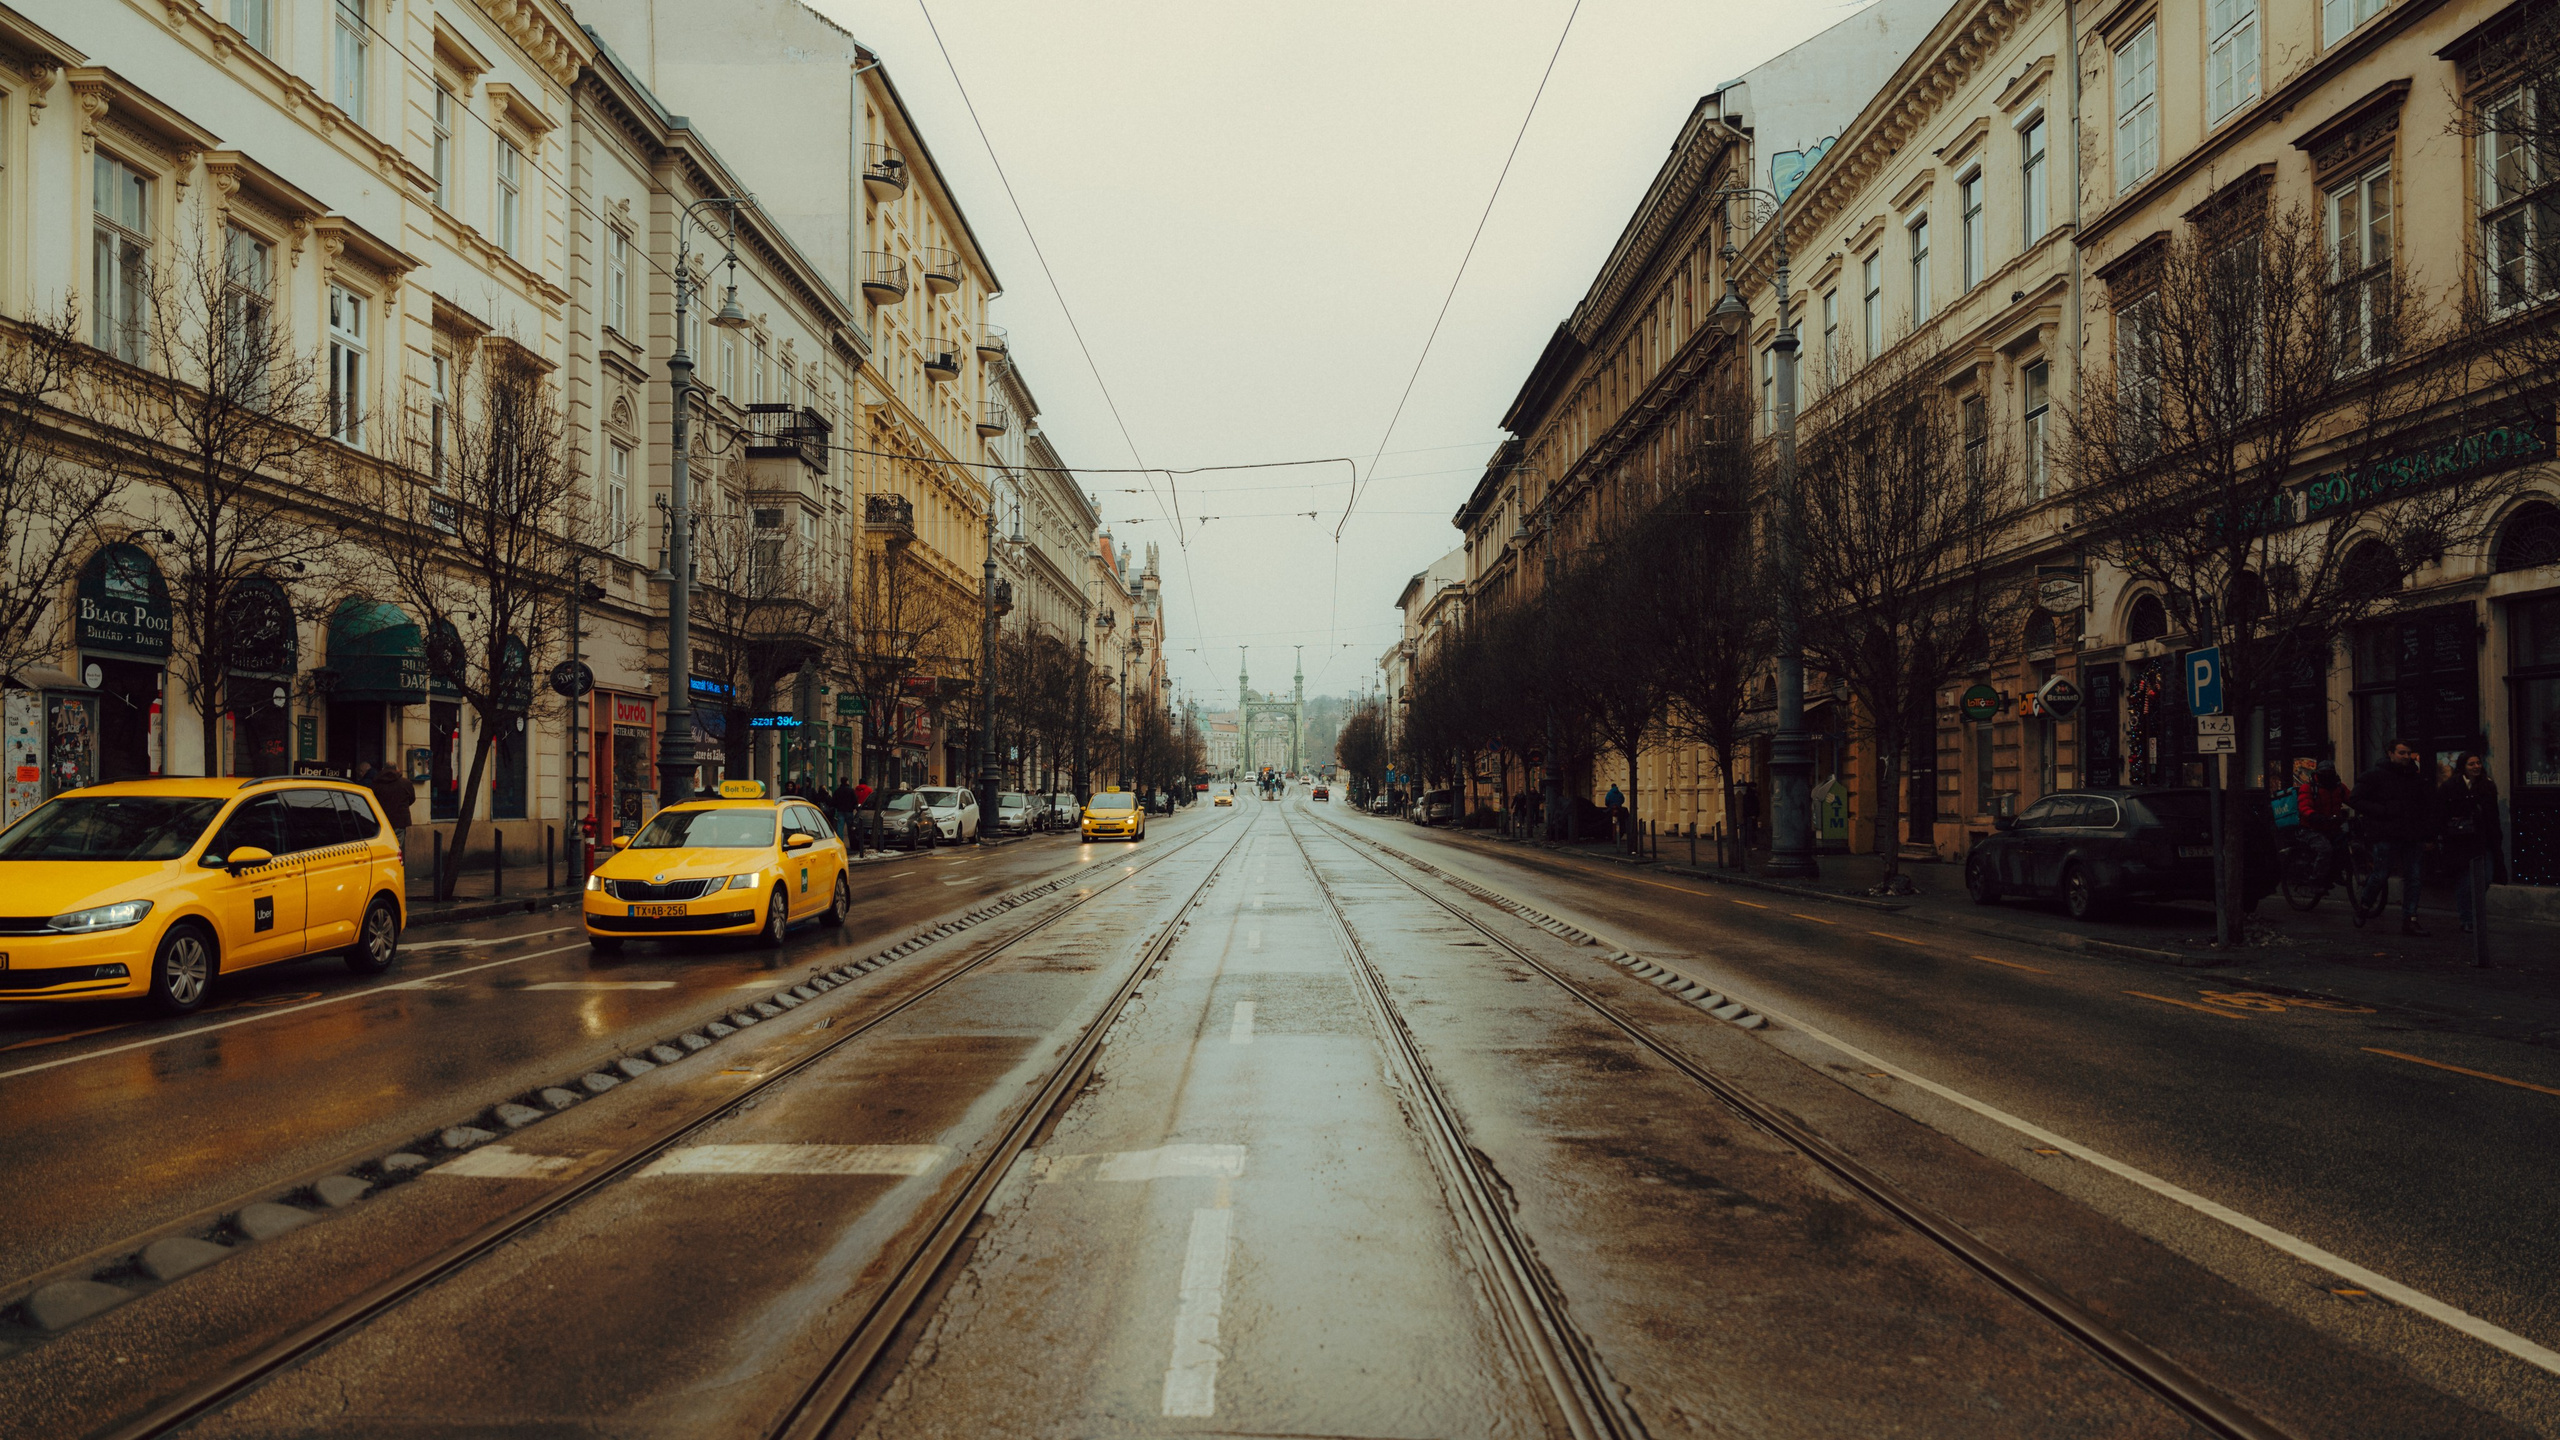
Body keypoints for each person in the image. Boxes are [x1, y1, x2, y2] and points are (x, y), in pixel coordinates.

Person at [2352, 739, 2439, 935]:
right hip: (2386, 834)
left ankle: (2410, 919)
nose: (2406, 757)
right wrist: (2382, 811)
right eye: (2402, 753)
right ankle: (2364, 906)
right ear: (2390, 753)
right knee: (2380, 874)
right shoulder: (2375, 776)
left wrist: (2428, 834)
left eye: (2409, 753)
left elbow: (2427, 807)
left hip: (2412, 835)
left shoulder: (2416, 778)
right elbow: (2356, 799)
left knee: (2414, 877)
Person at [2438, 752, 2503, 933]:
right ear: (2463, 767)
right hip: (2462, 841)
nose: (2476, 767)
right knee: (2465, 881)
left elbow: (2493, 814)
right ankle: (2467, 918)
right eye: (2471, 764)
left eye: (2478, 763)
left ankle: (2474, 912)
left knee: (2486, 877)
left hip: (2484, 840)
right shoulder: (2451, 787)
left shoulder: (2487, 785)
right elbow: (2442, 813)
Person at [2294, 762, 2350, 880]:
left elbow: (2351, 799)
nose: (2327, 776)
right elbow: (2304, 806)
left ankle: (2336, 872)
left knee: (2343, 845)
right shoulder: (2309, 788)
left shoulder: (2339, 787)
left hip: (2331, 826)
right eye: (2324, 773)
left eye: (2329, 773)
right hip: (2311, 828)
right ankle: (2316, 879)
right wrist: (2314, 816)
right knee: (2325, 850)